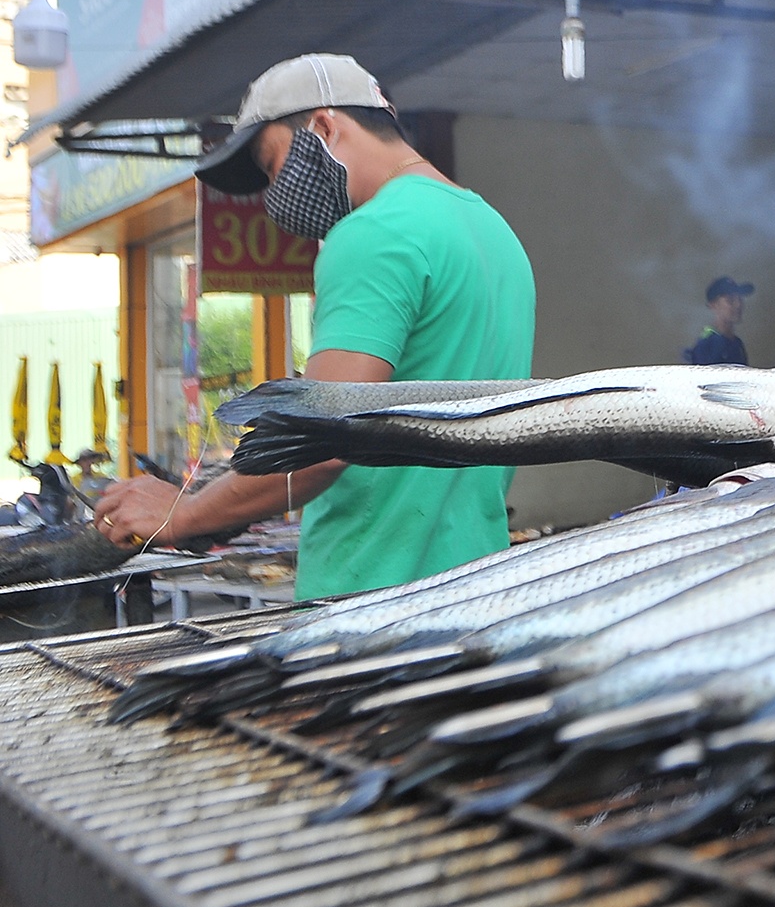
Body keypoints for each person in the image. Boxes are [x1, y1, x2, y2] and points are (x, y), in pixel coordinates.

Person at [93, 54, 536, 599]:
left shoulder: (374, 233)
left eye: (274, 164)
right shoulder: (493, 231)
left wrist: (182, 514)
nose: (274, 193)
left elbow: (322, 445)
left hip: (372, 603)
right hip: (476, 588)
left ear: (324, 126)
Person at [684, 276, 754, 366]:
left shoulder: (737, 343)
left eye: (740, 299)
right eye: (730, 300)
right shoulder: (707, 344)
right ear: (713, 305)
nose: (738, 305)